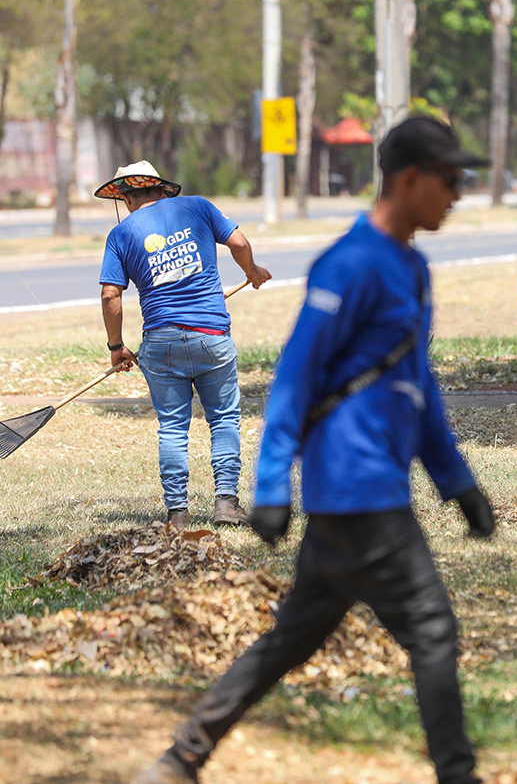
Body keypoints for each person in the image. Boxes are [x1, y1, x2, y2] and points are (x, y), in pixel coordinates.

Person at [132, 117, 497, 784]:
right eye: (450, 180)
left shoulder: (412, 267)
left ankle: (180, 759)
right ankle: (458, 774)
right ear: (409, 179)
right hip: (359, 492)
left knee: (286, 644)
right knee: (433, 631)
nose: (458, 193)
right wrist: (270, 486)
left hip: (356, 502)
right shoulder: (350, 264)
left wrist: (457, 482)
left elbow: (417, 388)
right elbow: (295, 378)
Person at [96, 161, 272, 527]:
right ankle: (226, 503)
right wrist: (251, 272)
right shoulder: (198, 206)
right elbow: (238, 241)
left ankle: (177, 513)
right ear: (160, 189)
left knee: (173, 427)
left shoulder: (120, 234)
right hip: (211, 337)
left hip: (160, 343)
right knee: (223, 419)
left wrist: (116, 345)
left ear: (127, 198)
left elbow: (111, 295)